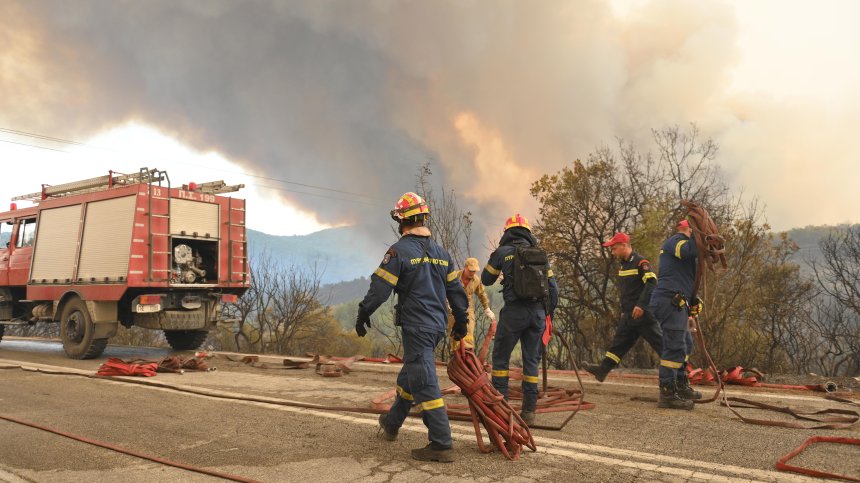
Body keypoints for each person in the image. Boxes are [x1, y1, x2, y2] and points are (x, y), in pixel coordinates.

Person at [356, 192, 469, 462]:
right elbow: (455, 289)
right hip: (437, 327)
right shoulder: (442, 253)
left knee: (425, 382)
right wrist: (462, 319)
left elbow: (381, 288)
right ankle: (392, 422)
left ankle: (441, 442)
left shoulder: (399, 251)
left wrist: (364, 311)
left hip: (417, 325)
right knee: (412, 375)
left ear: (401, 221)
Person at [481, 214, 558, 425]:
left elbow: (485, 280)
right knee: (531, 362)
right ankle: (529, 412)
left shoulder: (502, 252)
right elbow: (554, 290)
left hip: (514, 313)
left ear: (507, 232)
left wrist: (501, 268)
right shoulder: (540, 254)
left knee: (500, 359)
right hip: (537, 314)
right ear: (528, 232)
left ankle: (501, 407)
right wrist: (546, 314)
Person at [585, 232, 662, 382]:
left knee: (662, 345)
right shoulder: (623, 265)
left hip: (643, 316)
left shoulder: (641, 263)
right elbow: (628, 291)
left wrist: (641, 305)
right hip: (629, 315)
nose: (612, 253)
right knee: (619, 344)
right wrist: (623, 311)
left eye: (614, 249)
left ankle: (678, 375)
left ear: (624, 246)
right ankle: (602, 371)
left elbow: (652, 283)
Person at [648, 219, 703, 410]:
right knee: (675, 345)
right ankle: (667, 393)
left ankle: (680, 384)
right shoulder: (676, 241)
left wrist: (693, 300)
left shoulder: (687, 247)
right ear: (687, 229)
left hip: (678, 302)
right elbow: (687, 251)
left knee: (685, 344)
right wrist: (698, 234)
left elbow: (685, 277)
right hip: (669, 301)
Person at [447, 257, 495, 350]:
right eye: (470, 270)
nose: (472, 273)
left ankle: (467, 355)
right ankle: (455, 357)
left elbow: (481, 294)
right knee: (454, 333)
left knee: (469, 332)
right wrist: (447, 302)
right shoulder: (455, 277)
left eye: (474, 271)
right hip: (454, 307)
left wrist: (486, 308)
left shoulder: (476, 280)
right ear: (465, 267)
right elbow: (445, 289)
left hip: (468, 308)